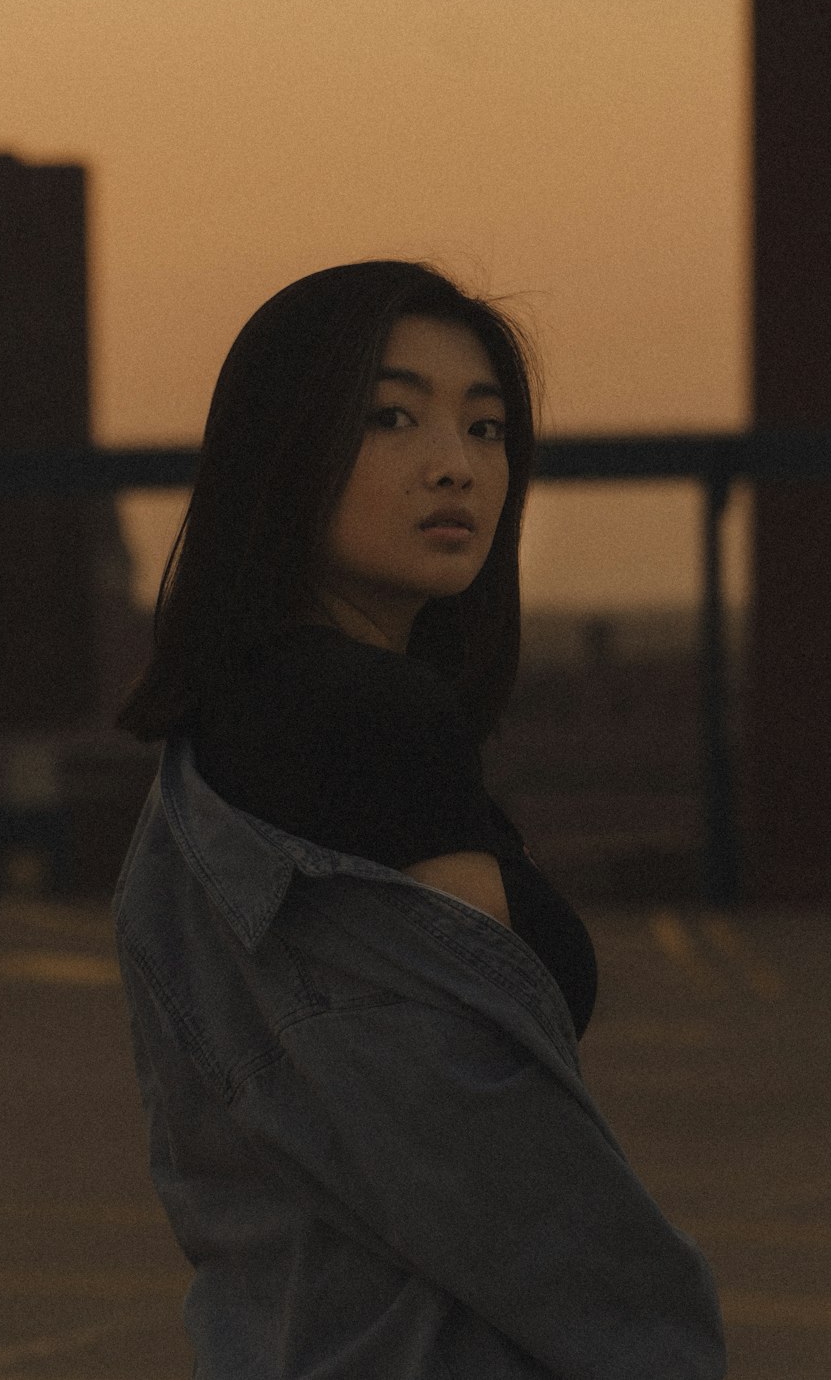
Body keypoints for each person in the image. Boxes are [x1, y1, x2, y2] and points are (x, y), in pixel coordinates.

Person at [112, 259, 726, 1378]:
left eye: (486, 429)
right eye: (390, 417)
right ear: (283, 449)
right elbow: (483, 1154)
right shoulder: (367, 721)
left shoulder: (221, 727)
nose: (455, 466)